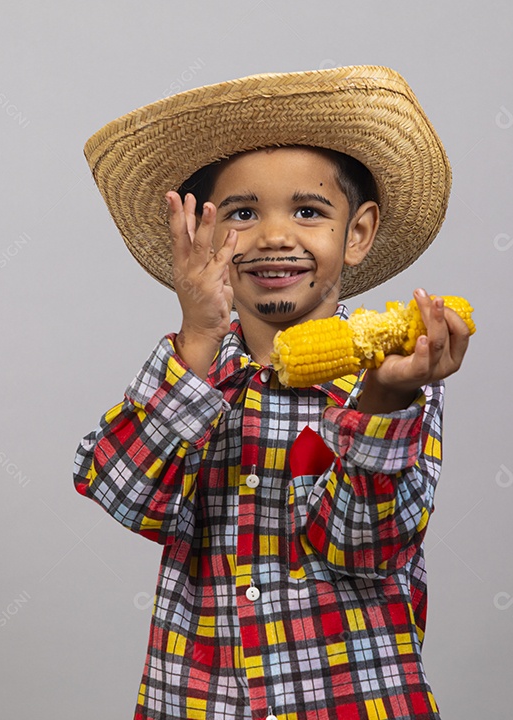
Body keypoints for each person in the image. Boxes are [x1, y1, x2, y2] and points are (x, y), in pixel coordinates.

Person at [73, 66, 472, 720]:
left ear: (359, 233)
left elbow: (364, 547)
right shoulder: (194, 374)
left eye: (309, 211)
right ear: (204, 236)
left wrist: (381, 403)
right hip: (199, 701)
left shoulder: (395, 379)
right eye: (243, 214)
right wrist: (198, 335)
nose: (274, 237)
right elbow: (126, 495)